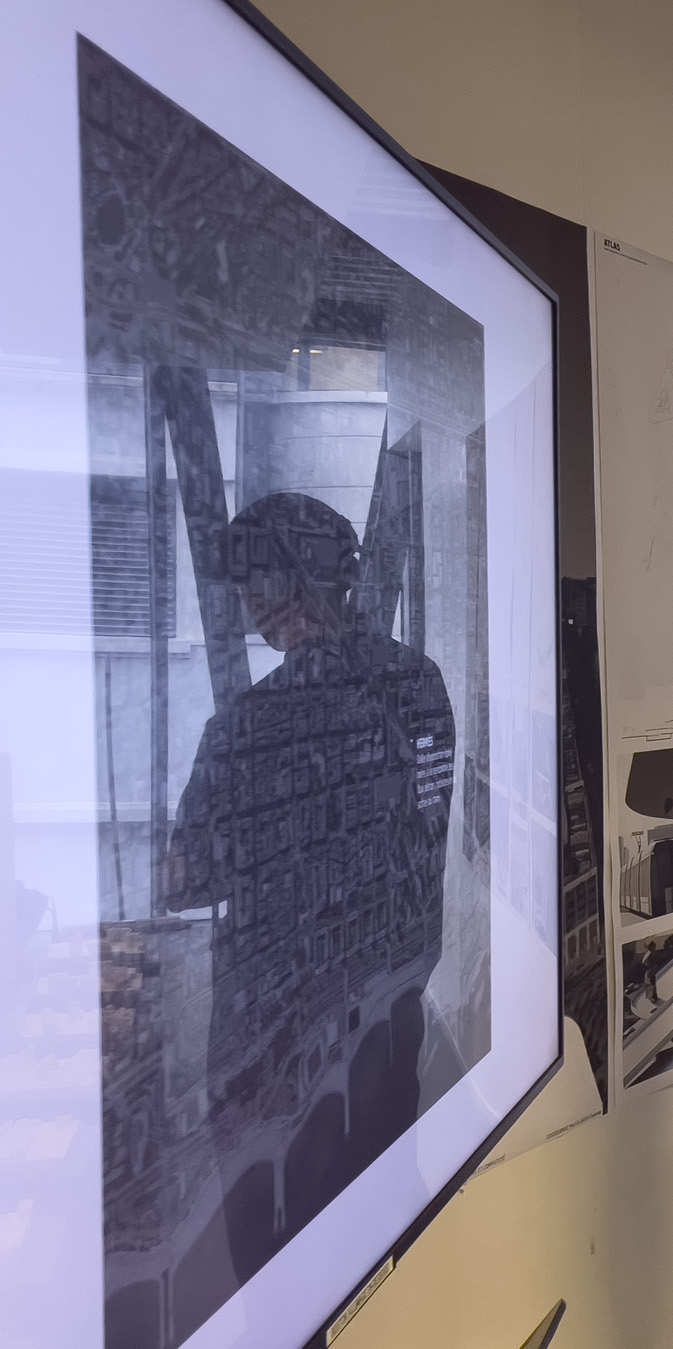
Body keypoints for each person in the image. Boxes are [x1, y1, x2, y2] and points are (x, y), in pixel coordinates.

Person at [165, 492, 455, 1269]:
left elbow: (181, 881)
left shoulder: (244, 726)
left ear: (292, 585)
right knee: (378, 1245)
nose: (249, 604)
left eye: (255, 582)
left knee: (277, 1269)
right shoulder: (419, 685)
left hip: (269, 1055)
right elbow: (427, 834)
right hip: (385, 1023)